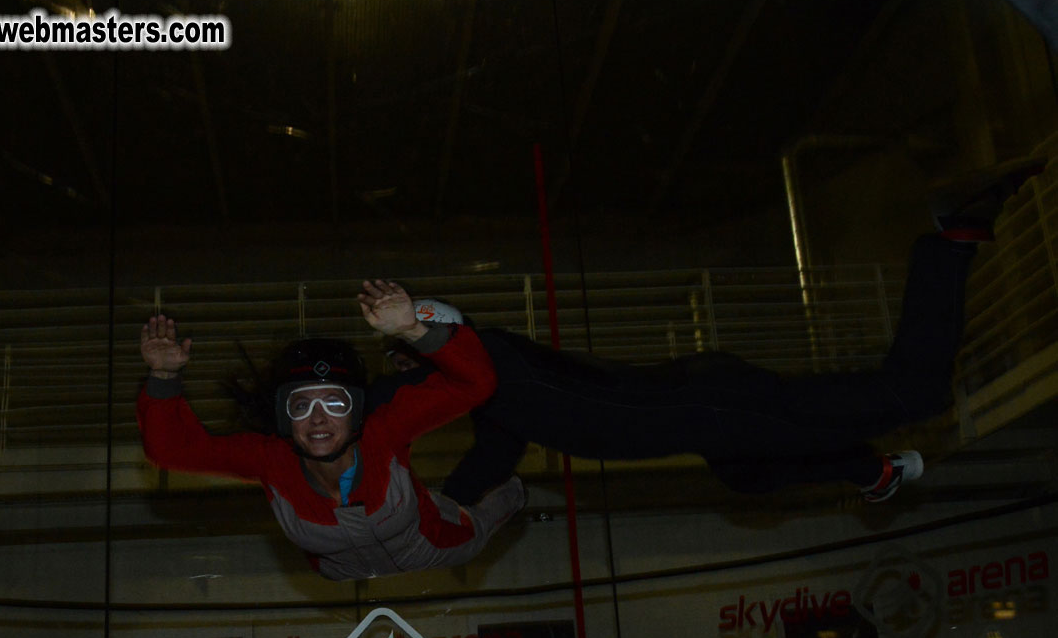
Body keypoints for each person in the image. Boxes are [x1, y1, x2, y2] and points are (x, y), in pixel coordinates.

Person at [370, 162, 1046, 504]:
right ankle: (871, 469)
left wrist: (415, 334)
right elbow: (489, 460)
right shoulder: (495, 393)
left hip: (719, 405)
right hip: (708, 413)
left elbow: (452, 354)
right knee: (744, 475)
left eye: (413, 358)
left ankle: (953, 237)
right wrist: (434, 510)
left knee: (918, 393)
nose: (415, 377)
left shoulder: (489, 364)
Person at [137, 279, 526, 580]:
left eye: (335, 404)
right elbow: (171, 452)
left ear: (356, 412)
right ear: (285, 418)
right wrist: (163, 375)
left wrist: (413, 331)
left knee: (487, 515)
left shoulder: (384, 433)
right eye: (302, 406)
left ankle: (517, 491)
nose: (318, 418)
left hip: (435, 549)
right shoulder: (271, 460)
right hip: (338, 576)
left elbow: (475, 384)